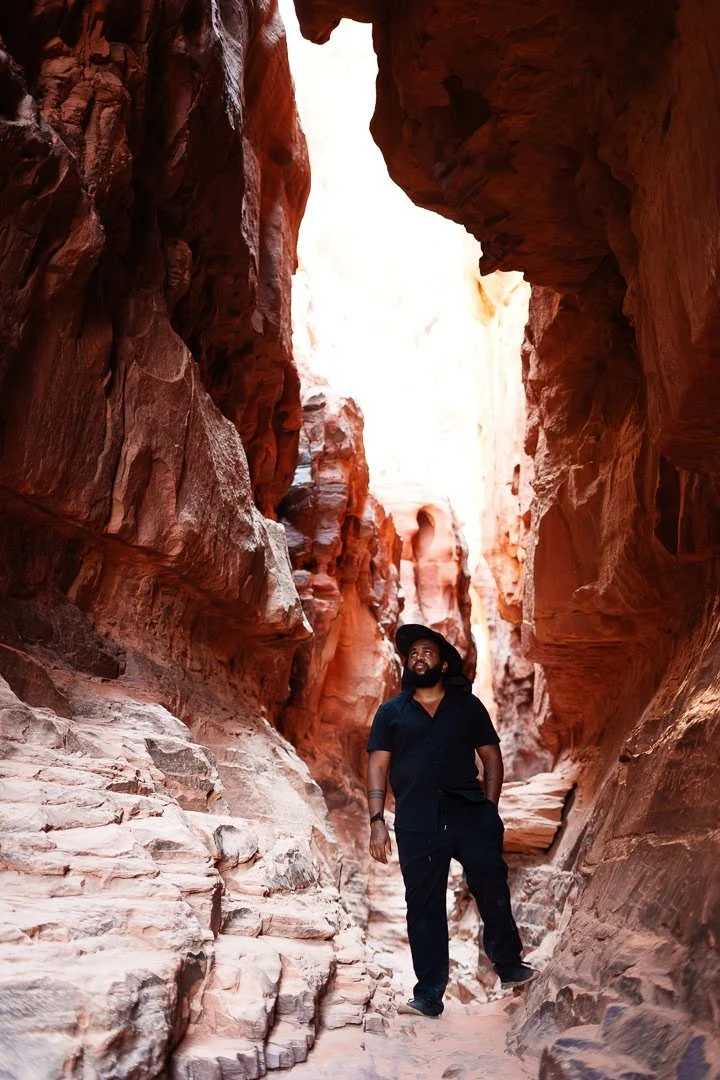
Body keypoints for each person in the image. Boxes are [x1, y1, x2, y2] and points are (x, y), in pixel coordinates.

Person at [366, 623, 535, 1018]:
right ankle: (428, 995)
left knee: (491, 885)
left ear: (443, 665)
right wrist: (376, 820)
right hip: (416, 820)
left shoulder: (467, 706)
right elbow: (377, 765)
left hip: (468, 813)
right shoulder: (391, 713)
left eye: (426, 652)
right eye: (412, 653)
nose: (418, 657)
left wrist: (489, 811)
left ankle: (508, 965)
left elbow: (492, 758)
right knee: (422, 906)